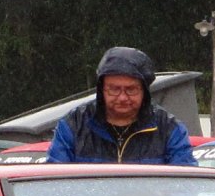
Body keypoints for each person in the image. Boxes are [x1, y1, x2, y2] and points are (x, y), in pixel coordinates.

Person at [47, 47, 196, 165]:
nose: (123, 97)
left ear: (145, 91)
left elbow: (185, 189)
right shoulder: (73, 126)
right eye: (114, 89)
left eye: (131, 89)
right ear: (101, 89)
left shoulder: (169, 129)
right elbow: (54, 185)